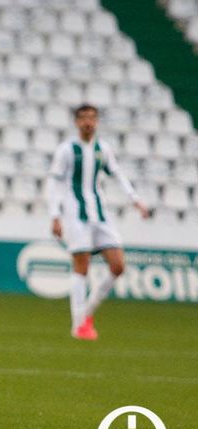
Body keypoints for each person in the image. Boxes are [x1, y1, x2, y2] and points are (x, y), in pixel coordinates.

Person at [46, 104, 149, 340]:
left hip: (100, 214)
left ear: (97, 121)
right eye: (83, 118)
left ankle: (86, 313)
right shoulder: (67, 150)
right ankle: (78, 325)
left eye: (92, 118)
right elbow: (54, 183)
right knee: (81, 264)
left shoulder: (104, 148)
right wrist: (55, 215)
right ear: (76, 122)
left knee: (118, 266)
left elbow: (118, 174)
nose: (88, 122)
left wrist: (135, 200)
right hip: (75, 215)